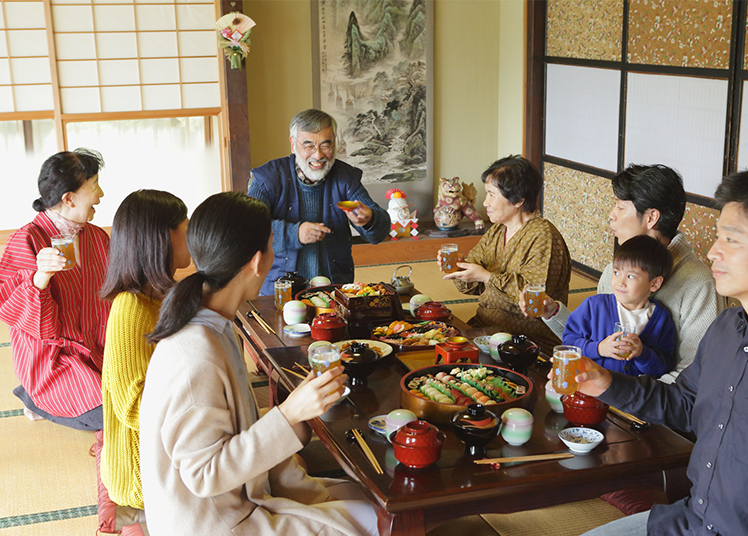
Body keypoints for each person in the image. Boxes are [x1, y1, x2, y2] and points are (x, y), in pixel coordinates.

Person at [139, 192, 378, 536]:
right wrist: (289, 414)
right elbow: (205, 474)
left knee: (364, 497)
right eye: (271, 246)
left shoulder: (211, 322)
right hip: (216, 524)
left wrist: (297, 409)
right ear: (256, 262)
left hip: (235, 504)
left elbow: (228, 432)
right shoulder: (194, 353)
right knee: (382, 522)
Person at [575, 172, 748, 536]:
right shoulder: (728, 328)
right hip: (693, 518)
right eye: (718, 236)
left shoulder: (697, 283)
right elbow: (685, 402)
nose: (714, 250)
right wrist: (607, 383)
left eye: (731, 239)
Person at [525, 164, 723, 382]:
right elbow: (587, 336)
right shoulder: (614, 271)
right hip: (604, 392)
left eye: (620, 207)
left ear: (651, 218)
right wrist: (552, 313)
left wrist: (625, 398)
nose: (611, 215)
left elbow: (694, 373)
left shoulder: (700, 284)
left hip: (652, 405)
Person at [0, 149, 109, 431]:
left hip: (99, 348)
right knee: (110, 418)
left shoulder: (96, 237)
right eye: (95, 186)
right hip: (53, 360)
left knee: (146, 401)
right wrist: (41, 277)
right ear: (69, 198)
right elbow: (11, 308)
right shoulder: (26, 240)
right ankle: (35, 398)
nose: (101, 195)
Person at [99, 190, 190, 517]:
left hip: (161, 456)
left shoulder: (161, 295)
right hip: (143, 475)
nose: (190, 234)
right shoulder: (131, 308)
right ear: (166, 236)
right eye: (186, 226)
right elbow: (133, 407)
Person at [247, 108, 390, 295]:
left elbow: (380, 231)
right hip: (278, 292)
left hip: (334, 291)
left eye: (325, 145)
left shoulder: (345, 178)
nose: (318, 155)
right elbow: (247, 231)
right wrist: (294, 233)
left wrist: (369, 220)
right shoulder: (268, 179)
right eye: (309, 146)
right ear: (293, 144)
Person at [439, 155, 571, 354]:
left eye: (491, 194)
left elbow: (533, 298)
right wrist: (460, 269)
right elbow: (471, 287)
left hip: (524, 340)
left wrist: (486, 276)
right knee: (432, 338)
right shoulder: (497, 230)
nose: (485, 203)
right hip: (484, 328)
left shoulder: (544, 237)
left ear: (518, 200)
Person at [563, 235, 675, 377]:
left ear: (654, 284)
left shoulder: (661, 319)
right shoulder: (594, 306)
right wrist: (598, 348)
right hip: (590, 390)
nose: (620, 282)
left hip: (632, 396)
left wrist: (643, 353)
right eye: (616, 272)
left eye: (631, 276)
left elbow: (664, 366)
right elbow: (568, 344)